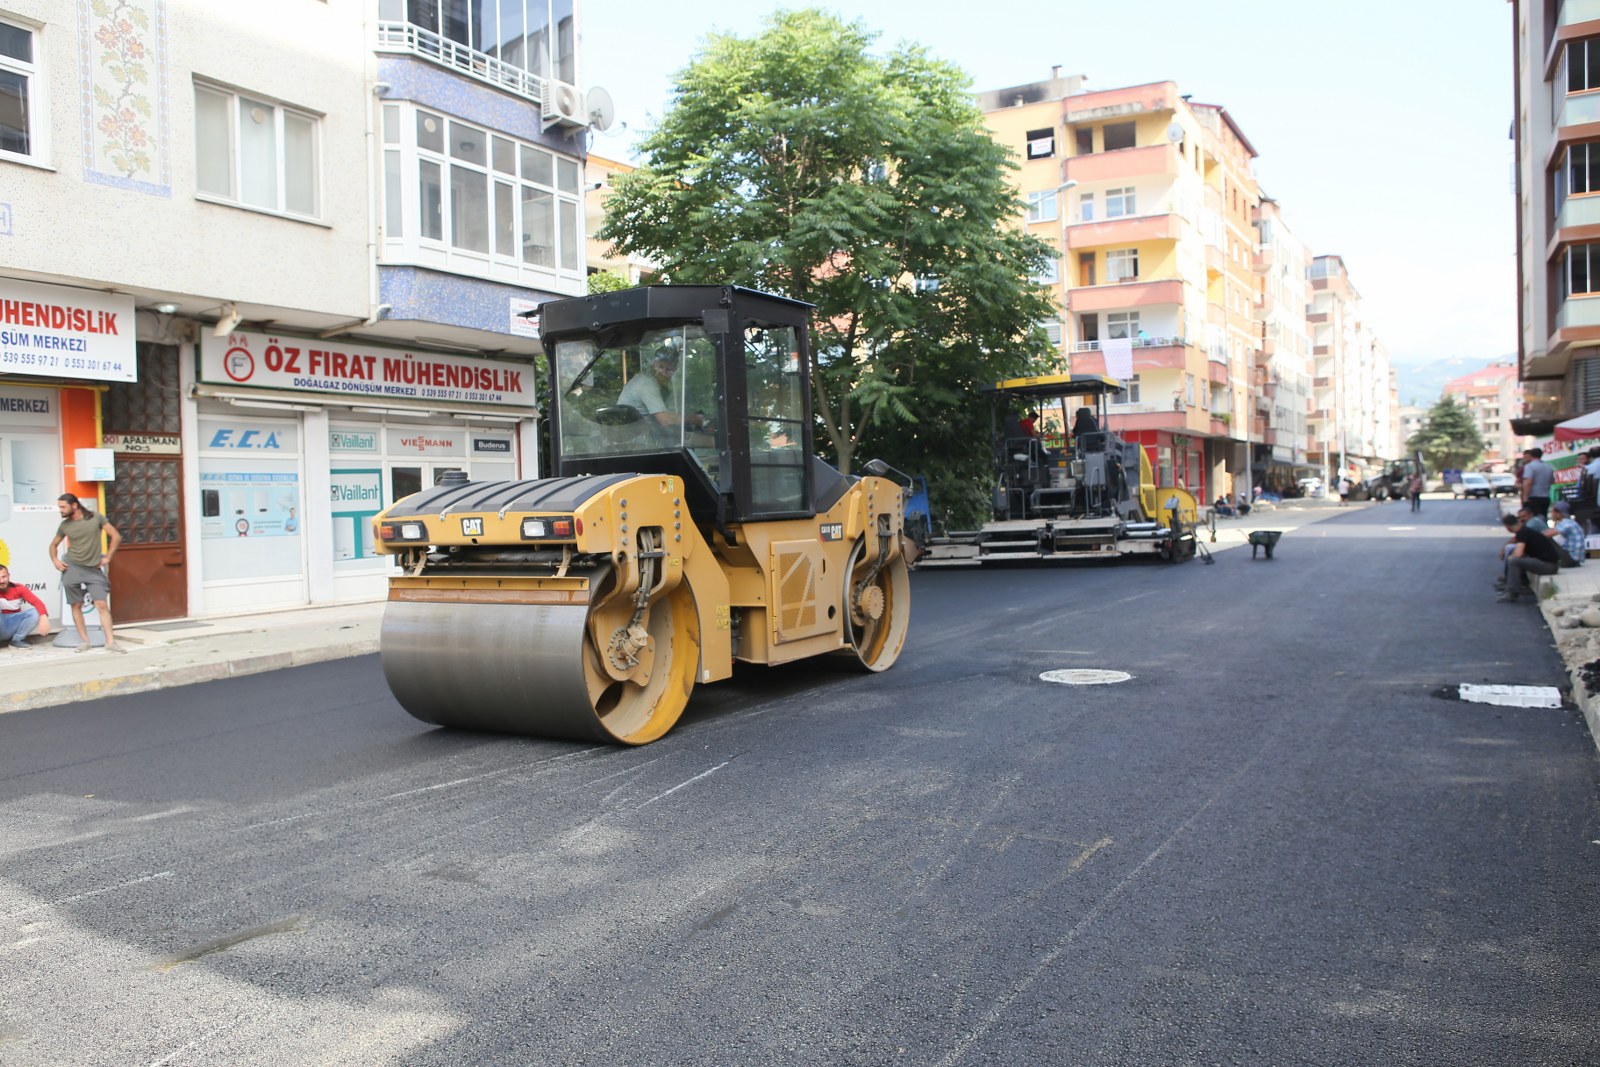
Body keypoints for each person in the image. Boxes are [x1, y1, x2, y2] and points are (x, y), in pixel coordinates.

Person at [49, 492, 125, 653]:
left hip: (93, 568)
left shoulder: (96, 518)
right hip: (72, 567)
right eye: (59, 506)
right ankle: (85, 642)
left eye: (63, 506)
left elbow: (115, 536)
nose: (60, 510)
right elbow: (53, 545)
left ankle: (110, 642)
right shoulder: (65, 525)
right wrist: (55, 560)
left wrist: (108, 557)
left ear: (74, 505)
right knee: (76, 605)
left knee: (101, 604)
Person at [617, 345, 704, 439]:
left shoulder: (650, 379)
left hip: (642, 432)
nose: (664, 373)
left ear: (675, 369)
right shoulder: (647, 384)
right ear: (654, 363)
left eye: (669, 369)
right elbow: (664, 420)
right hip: (635, 438)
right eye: (661, 367)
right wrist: (692, 419)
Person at [1496, 512, 1561, 602]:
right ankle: (1522, 584)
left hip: (1548, 566)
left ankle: (1512, 592)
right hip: (1550, 564)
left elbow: (1518, 554)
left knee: (1514, 560)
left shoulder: (1522, 533)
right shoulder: (1525, 530)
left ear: (1507, 526)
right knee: (1517, 558)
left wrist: (1511, 557)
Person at [0, 564, 51, 650]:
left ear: (9, 576)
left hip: (12, 624)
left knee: (36, 612)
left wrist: (44, 617)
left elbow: (38, 603)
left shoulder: (19, 588)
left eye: (4, 577)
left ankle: (17, 640)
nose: (1, 581)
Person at [1519, 447, 1555, 519]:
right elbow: (1552, 481)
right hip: (1545, 497)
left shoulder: (1529, 467)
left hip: (1533, 497)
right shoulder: (1549, 467)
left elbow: (1528, 482)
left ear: (1531, 455)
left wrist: (1525, 497)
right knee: (1543, 517)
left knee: (1533, 519)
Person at [1549, 499, 1586, 566]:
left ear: (1558, 513)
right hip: (1575, 559)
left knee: (1547, 539)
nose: (1551, 514)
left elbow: (1547, 534)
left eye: (1552, 512)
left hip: (1571, 559)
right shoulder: (1570, 522)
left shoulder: (1566, 523)